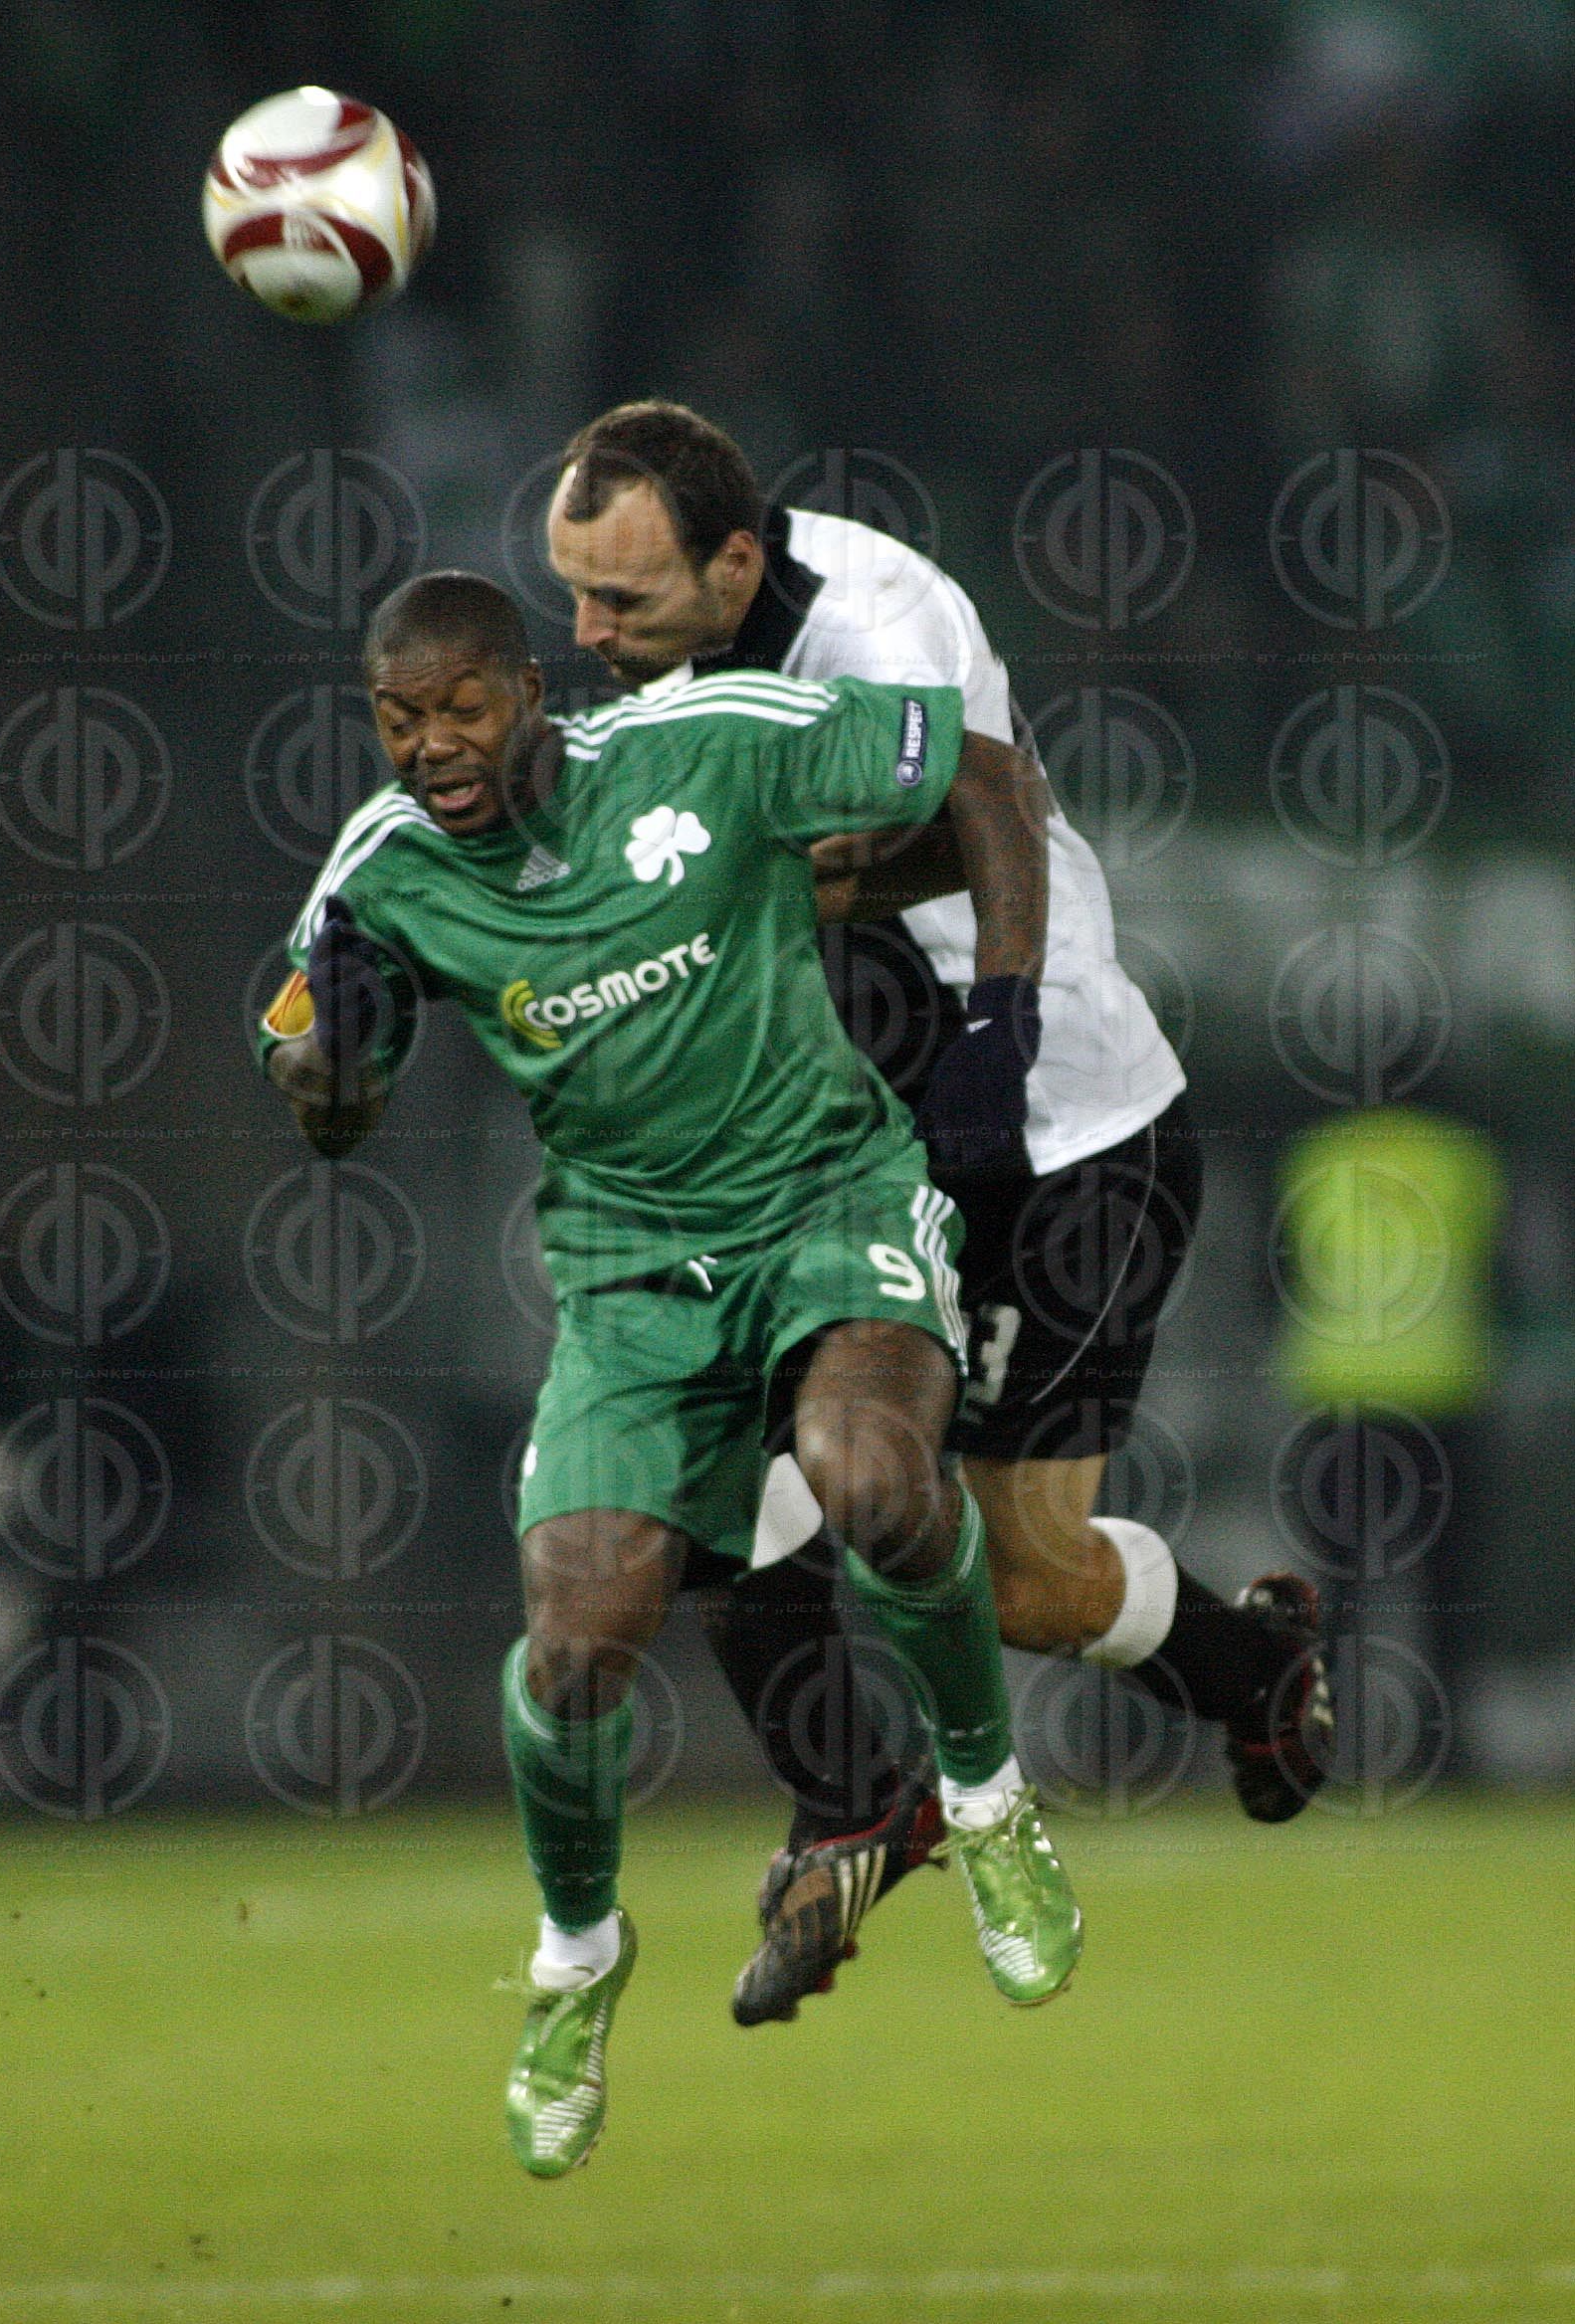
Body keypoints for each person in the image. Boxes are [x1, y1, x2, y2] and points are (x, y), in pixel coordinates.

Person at [259, 569, 1081, 2181]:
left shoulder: (710, 738)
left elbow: (988, 773)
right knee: (575, 1652)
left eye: (462, 706)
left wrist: (999, 1020)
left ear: (529, 689)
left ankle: (987, 1803)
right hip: (628, 1281)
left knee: (872, 1477)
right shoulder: (381, 876)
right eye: (399, 720)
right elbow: (325, 1101)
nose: (432, 745)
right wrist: (328, 1065)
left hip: (828, 1199)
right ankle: (577, 1959)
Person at [542, 402, 1334, 2024]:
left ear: (733, 564)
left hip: (1052, 1139)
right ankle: (855, 1803)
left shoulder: (879, 616)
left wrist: (997, 1021)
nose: (590, 635)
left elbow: (982, 804)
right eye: (574, 596)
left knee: (1020, 1580)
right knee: (728, 1465)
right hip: (847, 1149)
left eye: (622, 599)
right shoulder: (662, 687)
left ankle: (1253, 1668)